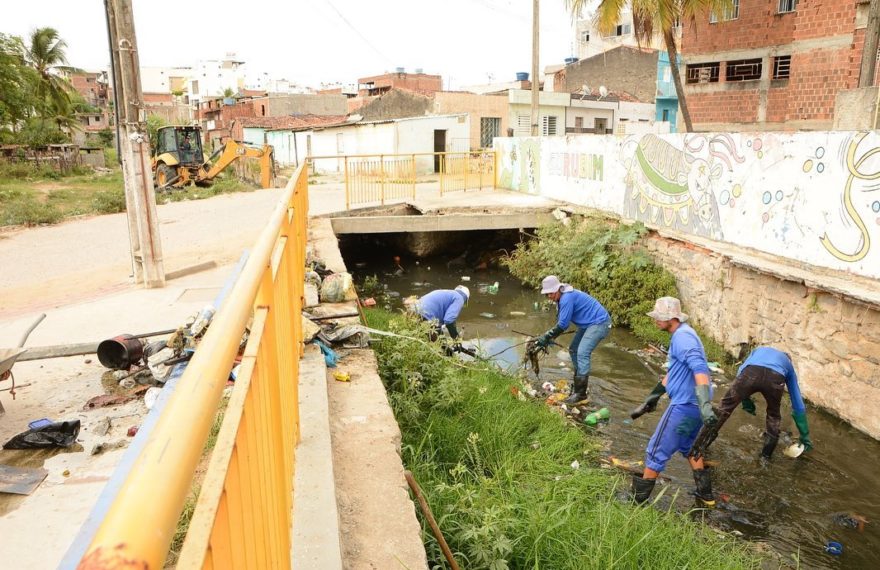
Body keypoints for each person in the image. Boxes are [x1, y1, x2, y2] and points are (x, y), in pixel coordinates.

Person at [629, 297, 717, 506]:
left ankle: (637, 502)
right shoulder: (683, 334)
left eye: (660, 317)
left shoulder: (683, 337)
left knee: (656, 450)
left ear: (672, 318)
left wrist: (705, 404)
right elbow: (674, 373)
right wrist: (653, 398)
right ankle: (706, 496)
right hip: (693, 408)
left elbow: (699, 368)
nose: (656, 320)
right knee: (689, 447)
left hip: (685, 406)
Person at [690, 346, 813, 461]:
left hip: (751, 373)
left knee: (724, 408)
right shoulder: (788, 365)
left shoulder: (759, 350)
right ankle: (765, 458)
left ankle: (698, 448)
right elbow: (797, 402)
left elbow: (741, 371)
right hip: (775, 378)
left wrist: (745, 398)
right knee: (773, 416)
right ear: (788, 359)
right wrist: (804, 436)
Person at [533, 276, 611, 405]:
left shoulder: (567, 298)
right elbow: (562, 322)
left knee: (582, 352)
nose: (549, 296)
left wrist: (547, 336)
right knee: (573, 349)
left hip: (599, 323)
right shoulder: (562, 297)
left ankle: (581, 394)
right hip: (587, 324)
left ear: (558, 288)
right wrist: (551, 337)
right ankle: (578, 386)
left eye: (551, 293)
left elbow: (563, 325)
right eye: (547, 294)